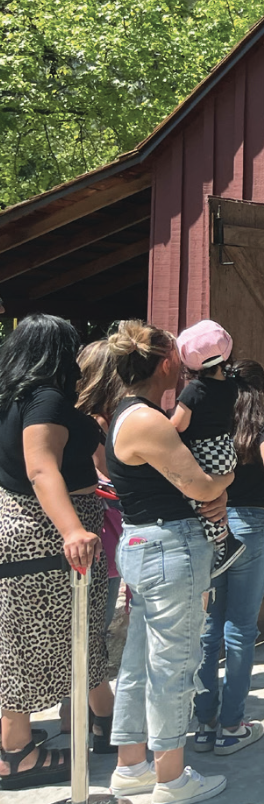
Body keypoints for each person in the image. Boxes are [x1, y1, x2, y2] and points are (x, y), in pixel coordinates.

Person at [105, 320, 233, 804]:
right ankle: (171, 779)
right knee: (175, 666)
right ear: (164, 364)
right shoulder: (147, 420)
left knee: (140, 662)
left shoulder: (125, 413)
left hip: (146, 543)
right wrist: (227, 478)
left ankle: (132, 765)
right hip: (169, 545)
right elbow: (200, 485)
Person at [0, 315, 108, 789]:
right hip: (44, 537)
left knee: (31, 638)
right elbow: (42, 469)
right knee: (27, 642)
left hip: (21, 528)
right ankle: (15, 754)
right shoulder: (47, 398)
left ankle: (29, 734)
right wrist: (70, 530)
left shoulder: (12, 397)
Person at [193, 360, 264, 755]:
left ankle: (204, 723)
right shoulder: (261, 417)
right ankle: (232, 724)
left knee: (208, 627)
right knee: (241, 629)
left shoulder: (207, 412)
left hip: (210, 522)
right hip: (251, 523)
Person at [72, 339, 125, 753]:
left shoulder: (68, 416)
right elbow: (109, 480)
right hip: (101, 541)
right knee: (92, 638)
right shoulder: (98, 424)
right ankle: (100, 726)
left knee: (83, 637)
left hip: (86, 540)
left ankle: (83, 722)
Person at [171, 320, 245, 576]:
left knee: (201, 499)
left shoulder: (194, 390)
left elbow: (178, 425)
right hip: (224, 448)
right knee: (212, 496)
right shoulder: (229, 387)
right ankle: (223, 539)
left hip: (205, 451)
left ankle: (224, 541)